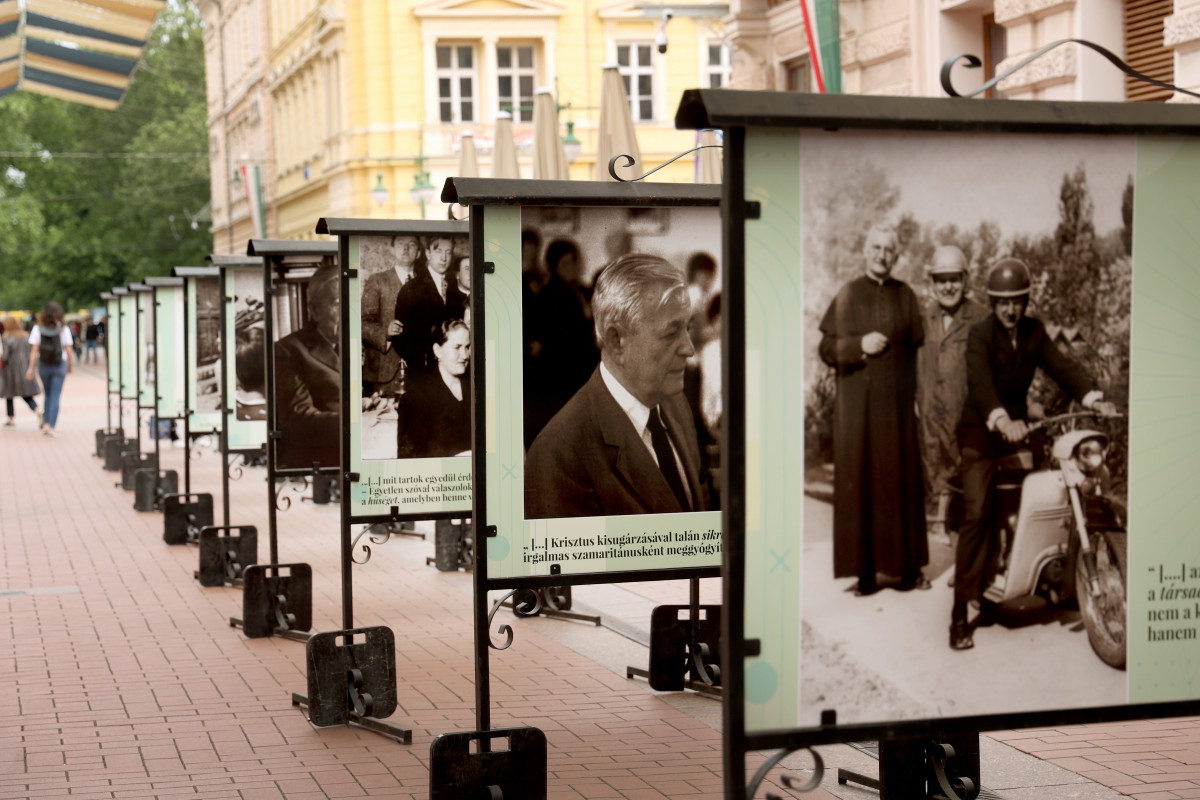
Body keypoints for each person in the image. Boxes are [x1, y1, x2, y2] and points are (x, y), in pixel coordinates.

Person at [950, 258, 1116, 651]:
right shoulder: (980, 335)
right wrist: (1000, 418)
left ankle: (1051, 575)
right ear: (993, 302)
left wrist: (1093, 398)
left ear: (1025, 301)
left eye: (1017, 301)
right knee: (977, 512)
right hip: (980, 432)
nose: (1011, 309)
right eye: (1003, 302)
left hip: (1017, 430)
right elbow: (980, 384)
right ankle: (958, 613)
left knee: (1051, 492)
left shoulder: (1034, 331)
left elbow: (1063, 367)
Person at [525, 254, 707, 520]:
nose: (689, 349)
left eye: (687, 329)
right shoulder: (559, 453)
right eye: (671, 333)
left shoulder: (675, 405)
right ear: (616, 340)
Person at [818, 223, 929, 596]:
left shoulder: (906, 295)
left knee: (902, 484)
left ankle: (909, 569)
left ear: (896, 256)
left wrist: (918, 398)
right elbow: (826, 348)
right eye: (876, 247)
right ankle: (865, 573)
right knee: (862, 483)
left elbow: (918, 353)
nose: (882, 255)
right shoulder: (848, 293)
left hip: (898, 410)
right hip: (859, 411)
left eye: (889, 249)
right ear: (865, 251)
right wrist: (858, 345)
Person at [916, 245, 989, 537]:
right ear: (932, 284)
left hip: (966, 415)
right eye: (941, 280)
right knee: (933, 464)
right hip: (930, 414)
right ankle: (937, 524)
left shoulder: (982, 318)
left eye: (954, 279)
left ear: (965, 280)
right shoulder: (922, 319)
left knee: (968, 480)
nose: (948, 287)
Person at [526, 239, 600, 447]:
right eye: (565, 263)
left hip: (581, 369)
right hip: (562, 373)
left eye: (574, 261)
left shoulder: (580, 289)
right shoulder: (550, 294)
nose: (572, 267)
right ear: (554, 265)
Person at [275, 266, 341, 470]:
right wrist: (355, 424)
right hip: (320, 461)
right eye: (338, 304)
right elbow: (299, 419)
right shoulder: (288, 350)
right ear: (314, 311)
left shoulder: (356, 344)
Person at [392, 235, 466, 373]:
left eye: (448, 252)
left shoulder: (454, 287)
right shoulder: (412, 288)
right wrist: (419, 365)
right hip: (423, 370)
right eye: (438, 251)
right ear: (428, 253)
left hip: (452, 367)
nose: (444, 258)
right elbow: (399, 336)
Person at [399, 319, 470, 459]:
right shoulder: (417, 396)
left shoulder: (477, 387)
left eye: (467, 347)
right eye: (457, 347)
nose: (465, 355)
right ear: (438, 351)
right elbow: (410, 459)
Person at [362, 235, 419, 398]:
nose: (406, 249)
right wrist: (385, 333)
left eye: (412, 244)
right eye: (401, 244)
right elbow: (362, 323)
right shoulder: (377, 281)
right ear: (392, 249)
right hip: (384, 371)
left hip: (419, 372)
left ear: (419, 253)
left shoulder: (426, 283)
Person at [25, 301, 73, 437]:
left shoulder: (37, 328)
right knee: (55, 395)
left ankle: (46, 423)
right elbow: (69, 349)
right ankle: (52, 426)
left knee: (47, 394)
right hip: (59, 364)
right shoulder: (63, 329)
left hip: (44, 364)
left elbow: (34, 350)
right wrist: (70, 364)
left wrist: (30, 368)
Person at [0, 315, 41, 427]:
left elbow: (5, 356)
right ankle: (37, 410)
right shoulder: (26, 337)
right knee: (26, 394)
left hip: (10, 370)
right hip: (24, 368)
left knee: (9, 394)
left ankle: (11, 418)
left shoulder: (6, 338)